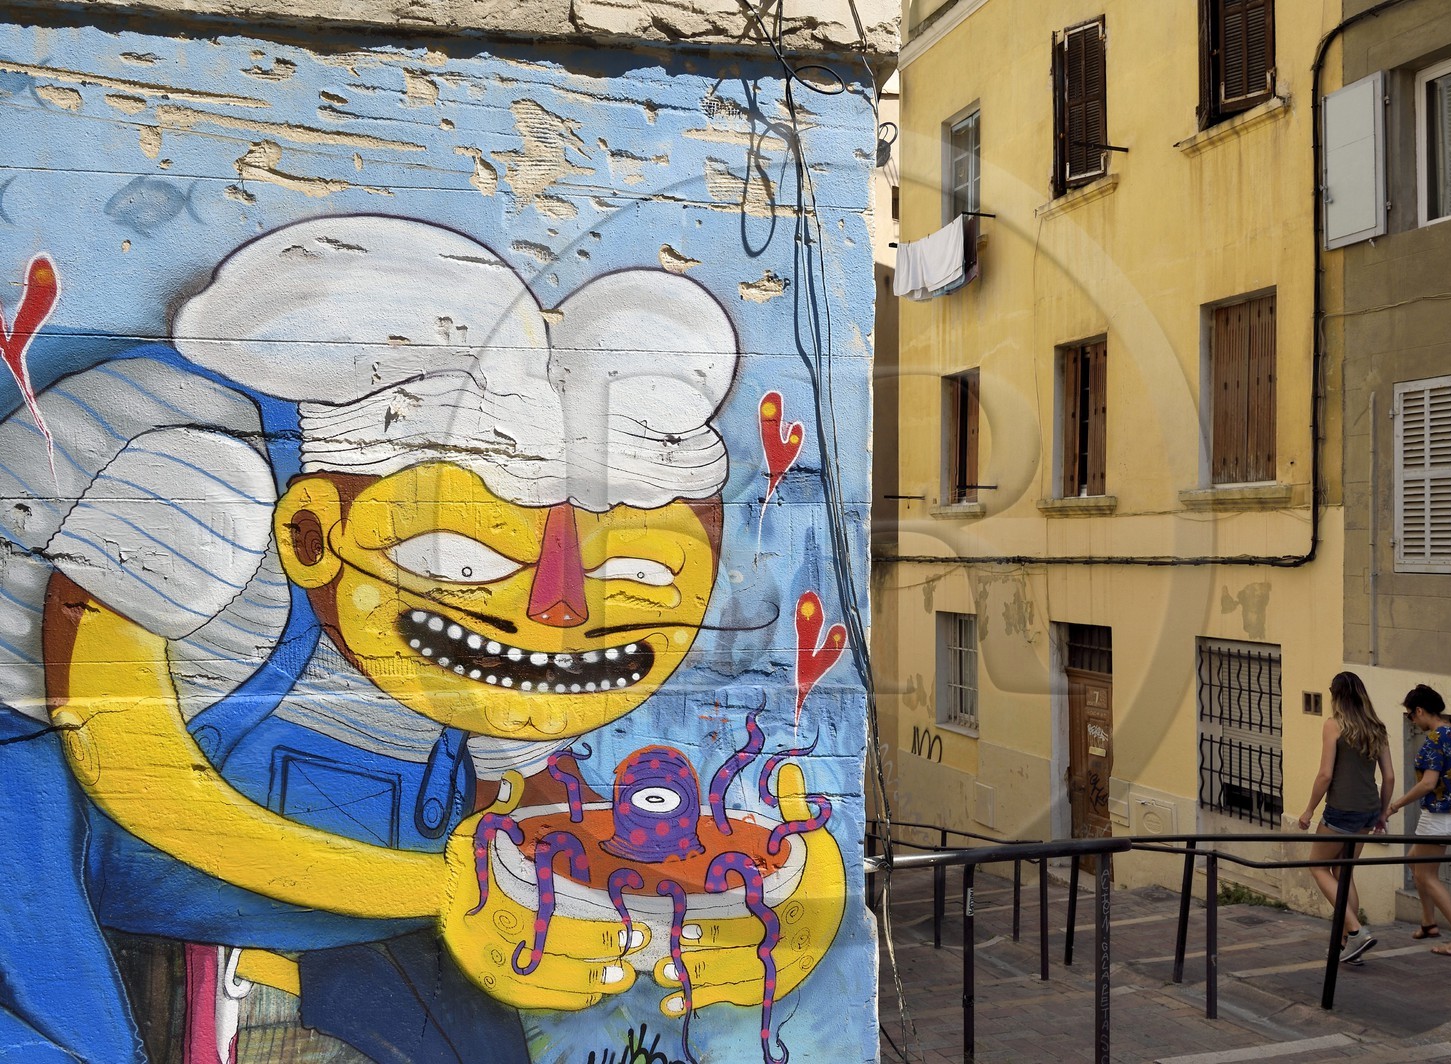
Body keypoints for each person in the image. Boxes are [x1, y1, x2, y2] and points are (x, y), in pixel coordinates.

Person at [0, 216, 845, 1063]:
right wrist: (444, 890)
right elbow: (132, 770)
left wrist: (731, 896)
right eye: (465, 558)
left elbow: (524, 814)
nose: (558, 610)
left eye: (644, 576)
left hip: (335, 912)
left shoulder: (491, 687)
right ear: (309, 535)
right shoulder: (203, 489)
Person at [1385, 683, 1451, 959]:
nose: (1412, 721)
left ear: (1419, 710)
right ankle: (1428, 922)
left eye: (1410, 715)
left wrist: (1395, 806)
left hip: (1439, 817)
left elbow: (1428, 784)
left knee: (1427, 875)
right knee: (1414, 861)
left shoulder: (1434, 740)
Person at [1296, 672, 1394, 964]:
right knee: (1343, 873)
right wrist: (1381, 815)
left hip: (1341, 810)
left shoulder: (1334, 725)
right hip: (1367, 810)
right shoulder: (1377, 728)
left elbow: (1325, 774)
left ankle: (1355, 932)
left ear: (1335, 695)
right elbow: (1388, 776)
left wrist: (1309, 810)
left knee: (1317, 866)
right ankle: (1347, 944)